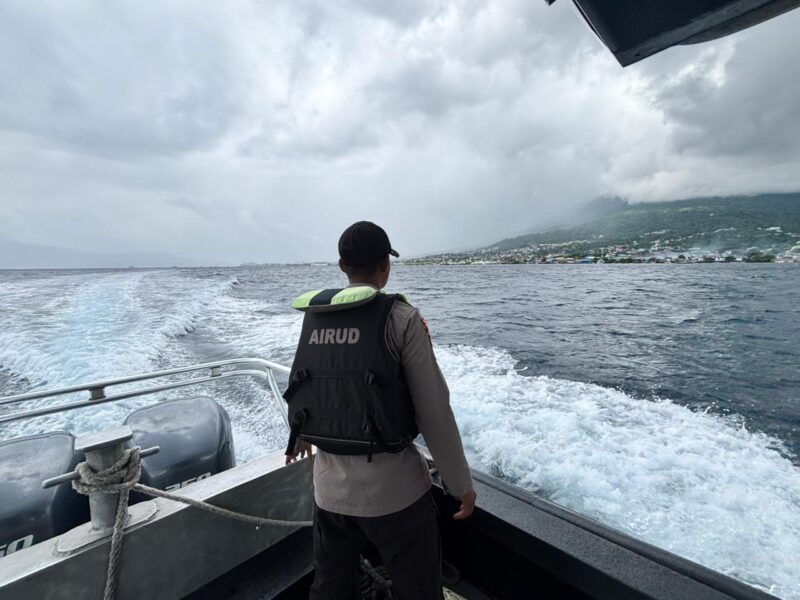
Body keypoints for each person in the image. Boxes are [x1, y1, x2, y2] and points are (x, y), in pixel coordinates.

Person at [284, 221, 476, 600]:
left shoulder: (316, 316)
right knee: (418, 590)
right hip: (395, 496)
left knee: (330, 588)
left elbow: (311, 384)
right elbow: (434, 411)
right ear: (386, 265)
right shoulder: (402, 318)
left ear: (342, 266)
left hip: (329, 492)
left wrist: (298, 437)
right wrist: (460, 486)